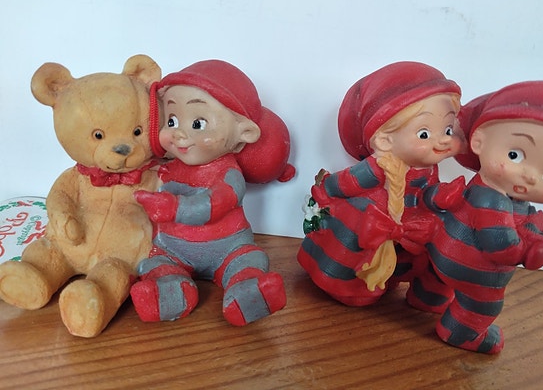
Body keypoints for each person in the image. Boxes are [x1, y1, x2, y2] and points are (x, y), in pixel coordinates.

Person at [130, 60, 294, 326]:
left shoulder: (228, 173)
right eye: (172, 120)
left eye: (198, 123)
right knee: (153, 262)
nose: (179, 133)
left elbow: (215, 204)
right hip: (173, 249)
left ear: (244, 133)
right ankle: (170, 290)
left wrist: (174, 208)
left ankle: (246, 292)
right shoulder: (168, 168)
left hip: (228, 248)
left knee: (248, 259)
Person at [422, 80, 543, 353]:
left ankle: (426, 298)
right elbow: (501, 249)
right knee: (484, 303)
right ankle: (460, 333)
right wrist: (527, 249)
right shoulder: (491, 200)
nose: (530, 176)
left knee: (439, 282)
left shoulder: (510, 198)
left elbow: (535, 223)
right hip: (471, 270)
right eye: (515, 155)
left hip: (443, 252)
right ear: (478, 141)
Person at [298, 61, 463, 309]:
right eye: (424, 134)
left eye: (448, 129)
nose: (442, 141)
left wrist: (439, 197)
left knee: (443, 232)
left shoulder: (428, 169)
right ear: (385, 140)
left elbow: (424, 194)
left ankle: (425, 291)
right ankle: (349, 285)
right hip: (370, 228)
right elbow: (342, 184)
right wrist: (325, 191)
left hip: (407, 226)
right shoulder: (377, 168)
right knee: (358, 227)